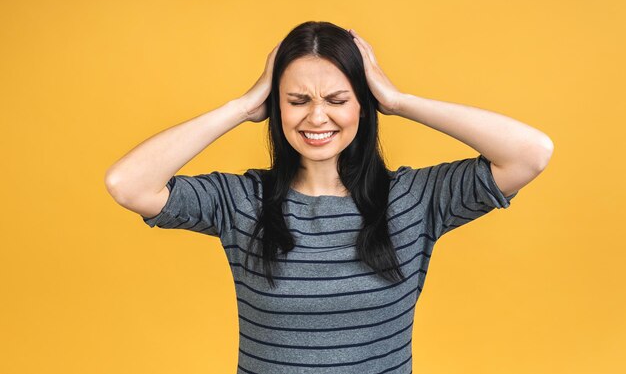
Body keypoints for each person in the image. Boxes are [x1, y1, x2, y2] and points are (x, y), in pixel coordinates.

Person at [105, 21, 553, 373]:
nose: (317, 116)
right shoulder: (241, 200)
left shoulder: (413, 199)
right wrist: (242, 106)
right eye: (297, 100)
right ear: (275, 107)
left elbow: (531, 153)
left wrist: (398, 101)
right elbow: (128, 184)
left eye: (337, 99)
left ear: (363, 103)